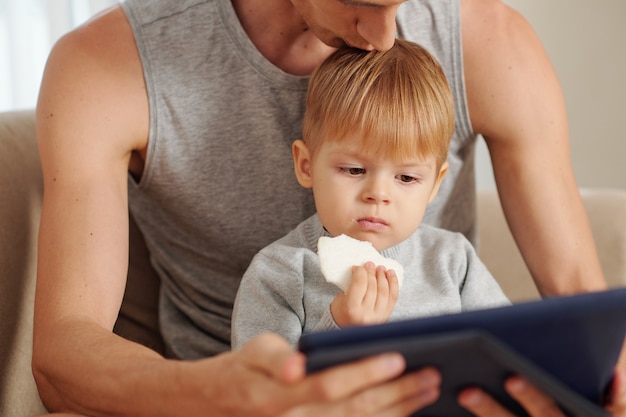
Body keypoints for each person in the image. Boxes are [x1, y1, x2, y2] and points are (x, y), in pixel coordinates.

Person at [33, 0, 624, 415]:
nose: (385, 34)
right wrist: (224, 397)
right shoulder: (107, 67)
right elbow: (64, 355)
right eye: (358, 0)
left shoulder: (493, 42)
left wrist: (598, 384)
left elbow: (580, 301)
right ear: (306, 162)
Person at [232, 39, 511, 349]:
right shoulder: (278, 274)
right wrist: (339, 328)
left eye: (406, 177)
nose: (378, 194)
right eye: (354, 170)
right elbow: (264, 391)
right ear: (307, 166)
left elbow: (512, 348)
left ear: (434, 184)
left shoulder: (453, 262)